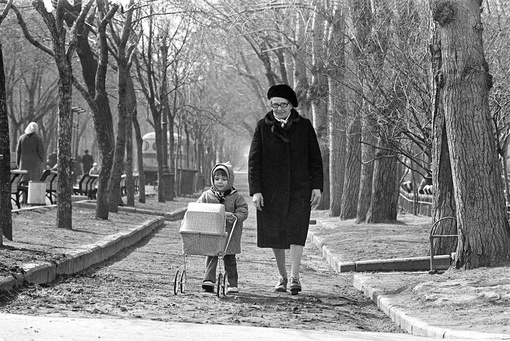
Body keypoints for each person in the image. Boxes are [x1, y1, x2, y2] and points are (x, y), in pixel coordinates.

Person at [248, 84, 323, 295]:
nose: (279, 109)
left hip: (300, 189)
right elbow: (254, 161)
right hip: (271, 192)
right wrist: (256, 191)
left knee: (296, 232)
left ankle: (295, 277)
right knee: (275, 233)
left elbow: (315, 159)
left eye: (283, 105)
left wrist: (317, 187)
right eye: (274, 105)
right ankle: (282, 276)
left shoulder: (305, 126)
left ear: (291, 105)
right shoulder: (262, 127)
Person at [198, 162, 248, 294]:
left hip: (230, 232)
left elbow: (243, 210)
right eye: (217, 179)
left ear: (230, 180)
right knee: (211, 255)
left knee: (230, 258)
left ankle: (232, 283)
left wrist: (236, 216)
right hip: (212, 231)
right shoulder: (207, 195)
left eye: (224, 179)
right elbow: (199, 207)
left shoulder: (235, 196)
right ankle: (208, 280)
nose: (220, 182)